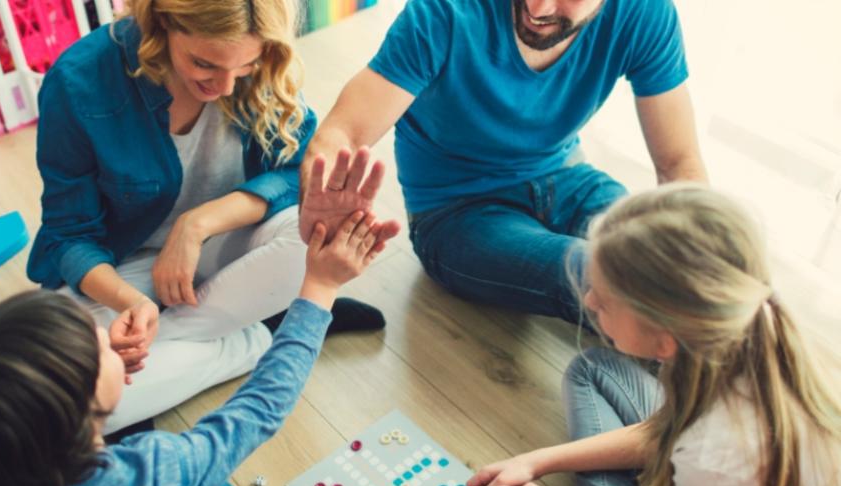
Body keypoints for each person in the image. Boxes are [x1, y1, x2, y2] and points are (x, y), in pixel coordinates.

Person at [0, 211, 386, 486]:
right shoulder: (155, 473)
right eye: (95, 344)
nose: (104, 335)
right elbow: (261, 405)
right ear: (85, 409)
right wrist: (320, 288)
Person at [26, 0, 396, 435]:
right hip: (123, 265)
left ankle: (194, 348)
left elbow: (294, 166)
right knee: (54, 402)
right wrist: (134, 304)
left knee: (309, 241)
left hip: (227, 246)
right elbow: (69, 235)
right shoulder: (79, 82)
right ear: (160, 23)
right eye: (203, 64)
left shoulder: (260, 65)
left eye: (244, 66)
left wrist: (197, 224)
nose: (223, 86)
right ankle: (265, 334)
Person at [466, 185, 841, 486]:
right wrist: (536, 461)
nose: (590, 301)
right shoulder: (741, 328)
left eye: (604, 299)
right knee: (595, 369)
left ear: (665, 339)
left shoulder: (717, 454)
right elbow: (664, 430)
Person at [299, 0, 708, 325]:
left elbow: (678, 164)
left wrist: (707, 253)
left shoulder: (646, 12)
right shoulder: (443, 11)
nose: (539, 7)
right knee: (608, 276)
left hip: (569, 178)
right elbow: (345, 132)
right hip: (457, 213)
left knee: (668, 264)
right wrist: (319, 192)